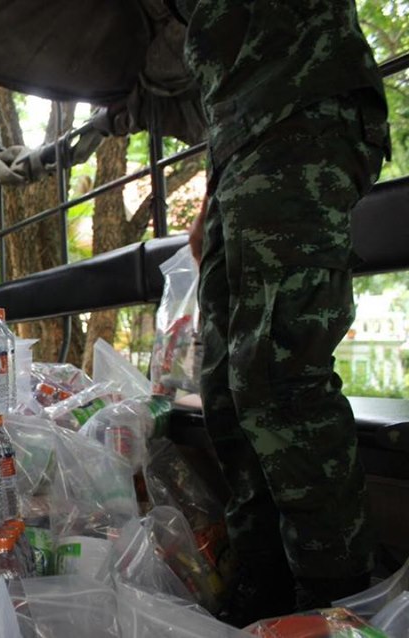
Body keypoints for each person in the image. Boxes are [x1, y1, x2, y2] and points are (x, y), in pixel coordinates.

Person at [167, 0, 391, 625]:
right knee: (224, 389)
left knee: (276, 379)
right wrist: (215, 185)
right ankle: (260, 585)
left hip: (301, 105)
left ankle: (333, 603)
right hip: (240, 142)